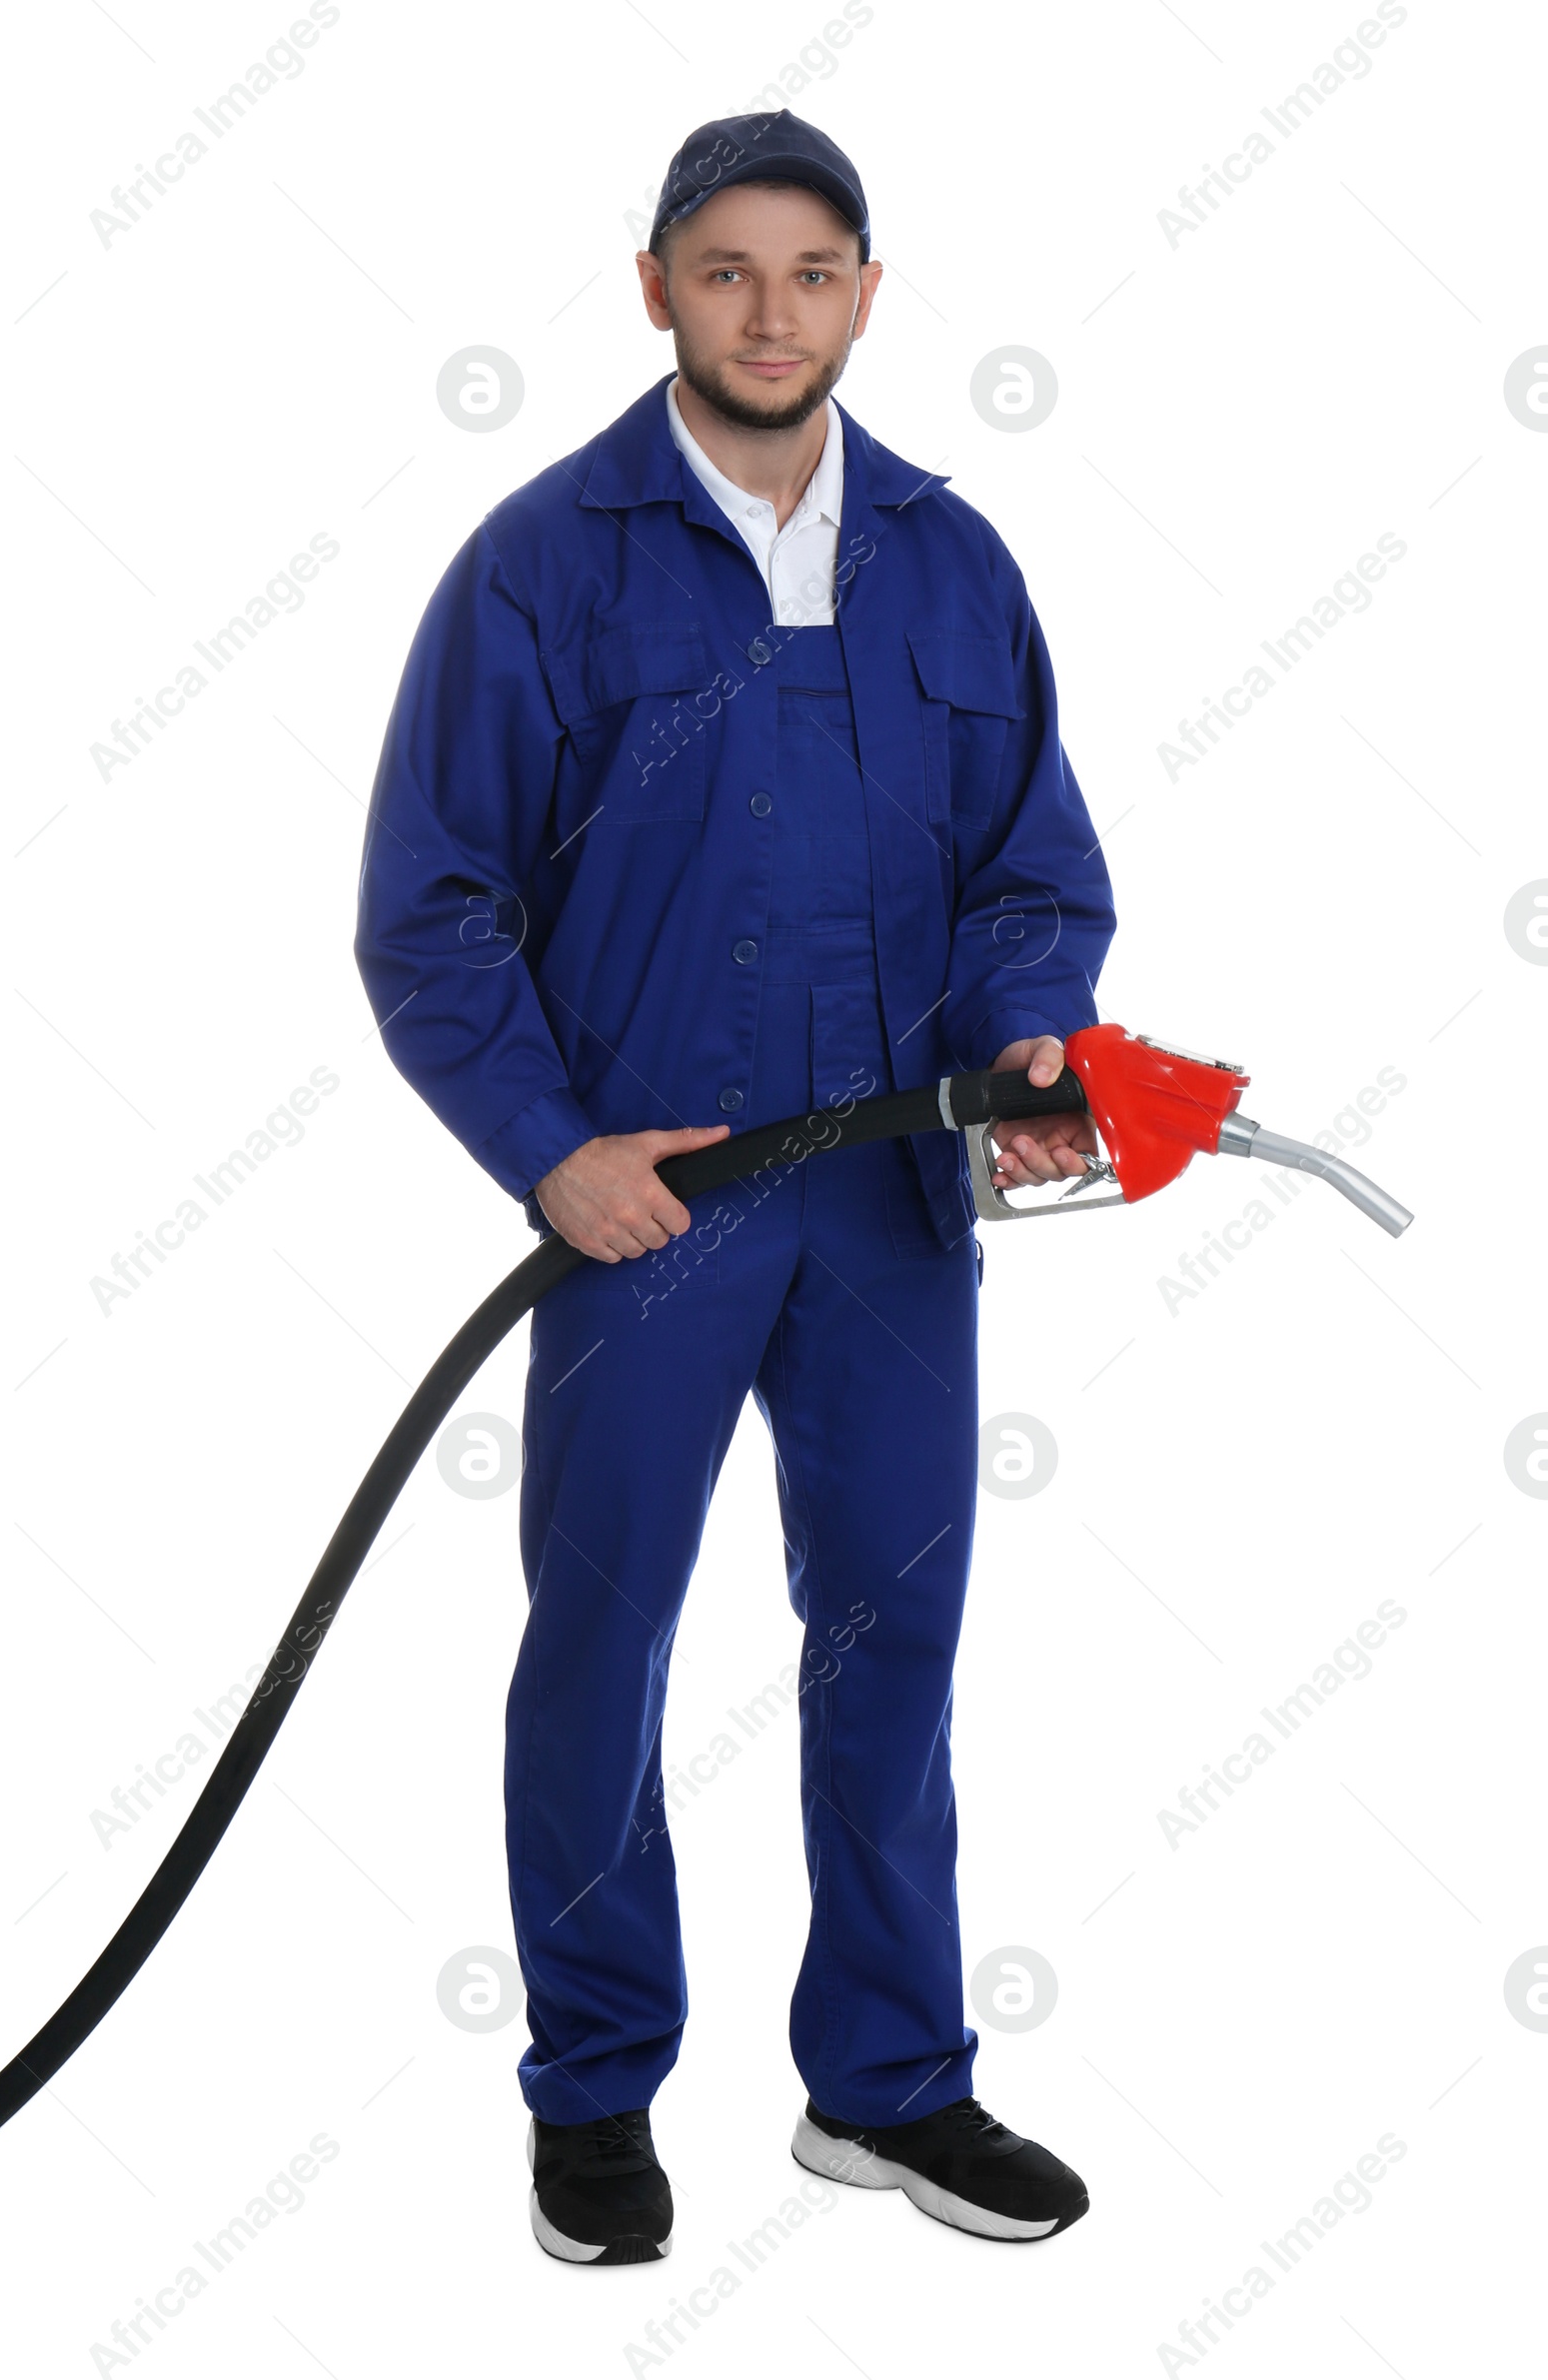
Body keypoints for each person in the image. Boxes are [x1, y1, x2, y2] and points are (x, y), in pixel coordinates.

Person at [355, 109, 1115, 2265]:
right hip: (654, 1198)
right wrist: (549, 1150)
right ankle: (593, 2089)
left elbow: (1027, 876)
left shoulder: (950, 561)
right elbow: (432, 911)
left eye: (811, 271)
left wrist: (1024, 1042)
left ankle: (888, 2085)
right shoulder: (545, 560)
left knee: (892, 1637)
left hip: (887, 1200)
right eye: (723, 270)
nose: (768, 312)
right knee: (601, 1643)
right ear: (654, 287)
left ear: (866, 294)